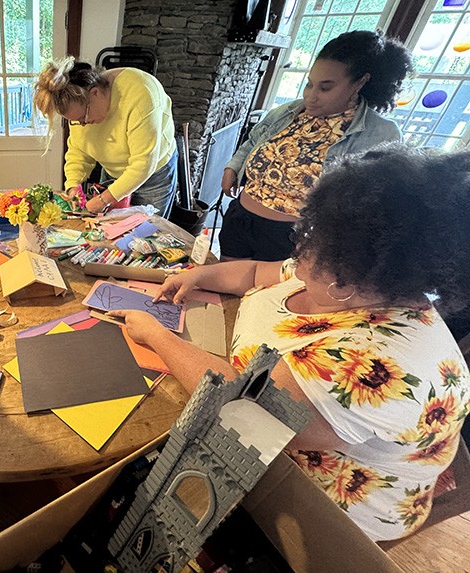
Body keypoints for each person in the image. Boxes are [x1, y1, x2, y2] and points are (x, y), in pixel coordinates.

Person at [112, 145, 470, 541]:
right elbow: (256, 273)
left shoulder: (372, 366)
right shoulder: (357, 275)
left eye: (309, 246)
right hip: (251, 399)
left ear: (345, 282)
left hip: (320, 513)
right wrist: (200, 277)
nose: (297, 251)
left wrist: (157, 336)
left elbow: (240, 409)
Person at [219, 30, 412, 261]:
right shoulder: (289, 111)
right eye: (309, 84)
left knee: (263, 296)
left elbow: (368, 203)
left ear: (360, 82)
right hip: (241, 221)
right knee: (222, 291)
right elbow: (253, 140)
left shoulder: (380, 134)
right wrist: (233, 167)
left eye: (325, 87)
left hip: (290, 241)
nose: (311, 96)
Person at [33, 57, 178, 216]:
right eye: (75, 121)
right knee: (107, 230)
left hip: (153, 175)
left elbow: (143, 164)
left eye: (83, 118)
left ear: (95, 93)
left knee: (146, 232)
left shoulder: (141, 95)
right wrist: (73, 186)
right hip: (113, 171)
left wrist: (104, 200)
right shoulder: (79, 106)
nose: (82, 124)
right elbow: (78, 151)